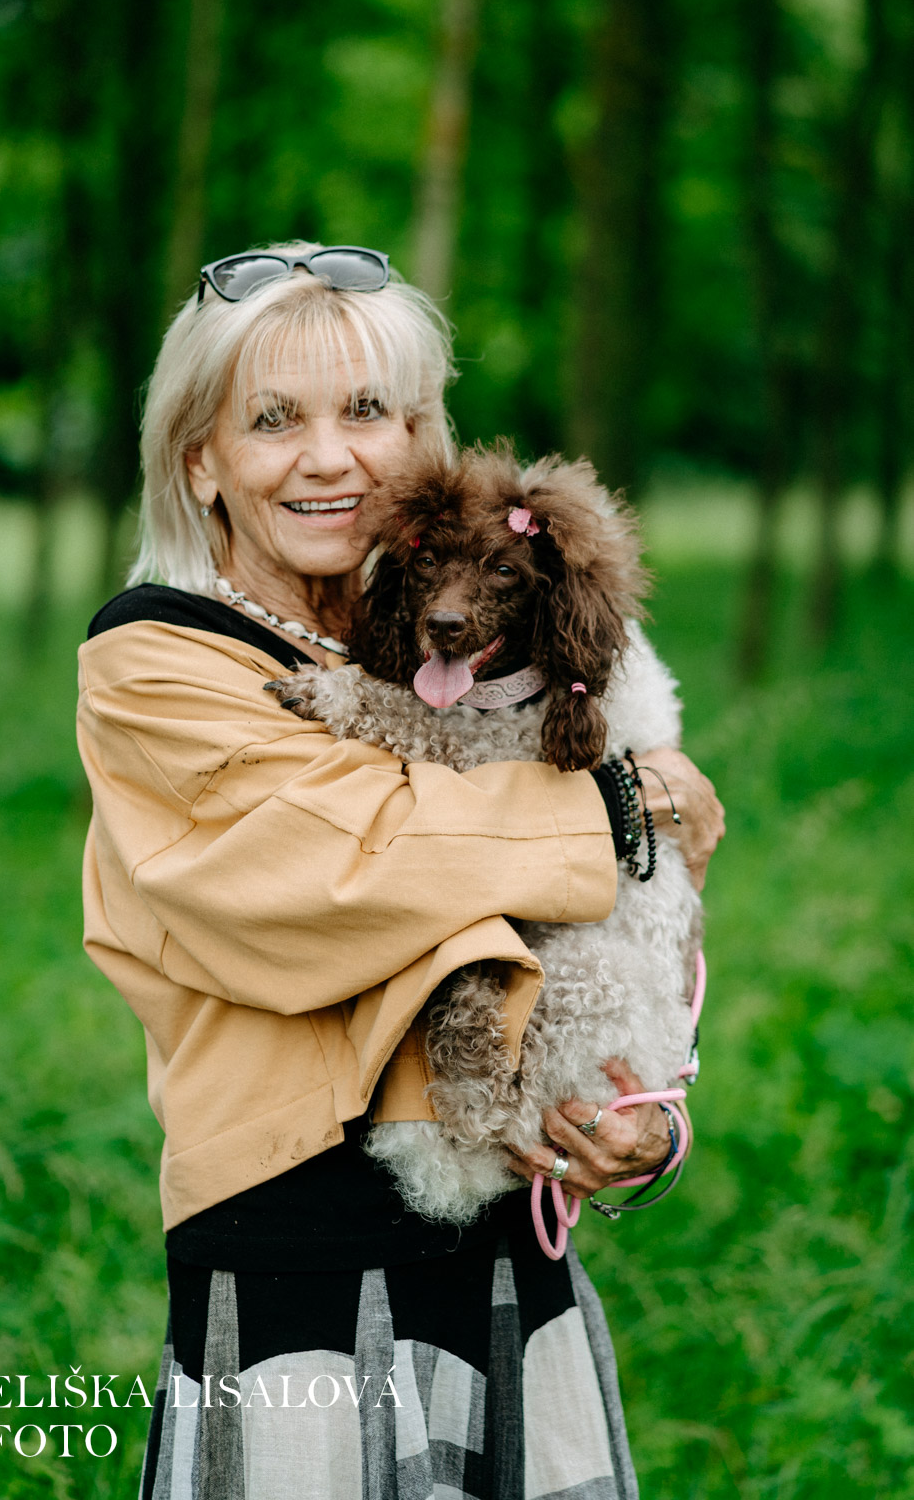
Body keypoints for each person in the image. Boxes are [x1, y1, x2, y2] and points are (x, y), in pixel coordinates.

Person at [76, 242, 725, 1500]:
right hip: (296, 1262)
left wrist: (647, 1111)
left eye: (366, 411)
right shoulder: (156, 662)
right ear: (201, 459)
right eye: (274, 419)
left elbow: (639, 918)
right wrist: (616, 803)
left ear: (422, 439)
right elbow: (365, 866)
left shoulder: (484, 648)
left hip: (510, 1259)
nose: (328, 457)